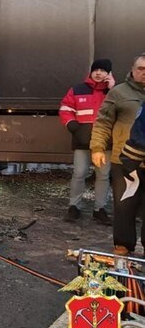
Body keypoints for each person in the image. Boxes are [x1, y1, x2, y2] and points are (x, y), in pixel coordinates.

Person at [91, 54, 145, 256]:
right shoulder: (118, 93)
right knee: (124, 206)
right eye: (140, 68)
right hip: (124, 160)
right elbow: (103, 122)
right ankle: (122, 246)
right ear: (132, 69)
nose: (144, 73)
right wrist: (97, 148)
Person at [58, 59, 115, 224]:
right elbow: (66, 108)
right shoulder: (77, 89)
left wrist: (112, 89)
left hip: (106, 141)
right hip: (82, 140)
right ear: (91, 71)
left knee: (103, 175)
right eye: (95, 70)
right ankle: (74, 207)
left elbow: (123, 109)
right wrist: (73, 125)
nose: (98, 73)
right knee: (79, 173)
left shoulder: (115, 92)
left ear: (109, 74)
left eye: (103, 70)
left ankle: (100, 209)